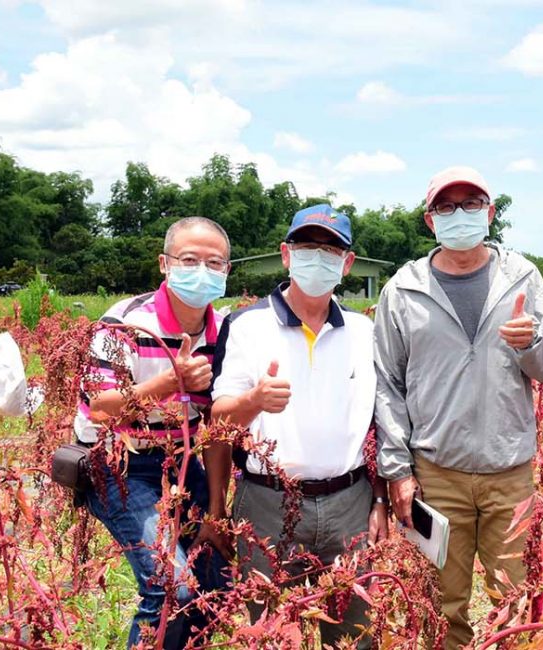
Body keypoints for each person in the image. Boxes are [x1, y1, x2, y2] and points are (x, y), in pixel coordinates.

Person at [373, 166, 543, 649]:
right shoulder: (403, 289)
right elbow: (387, 385)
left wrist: (530, 343)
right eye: (447, 206)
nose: (459, 214)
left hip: (510, 474)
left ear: (490, 213)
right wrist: (397, 471)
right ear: (429, 220)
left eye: (470, 204)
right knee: (442, 606)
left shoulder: (520, 276)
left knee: (515, 602)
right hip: (437, 474)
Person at [209, 204, 387, 649]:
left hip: (349, 502)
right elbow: (218, 420)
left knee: (354, 633)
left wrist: (380, 498)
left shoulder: (364, 332)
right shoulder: (247, 325)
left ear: (347, 264)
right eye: (308, 247)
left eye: (331, 251)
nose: (318, 258)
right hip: (268, 501)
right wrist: (254, 401)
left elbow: (380, 425)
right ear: (286, 255)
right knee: (266, 630)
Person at [75, 216, 232, 649]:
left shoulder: (226, 333)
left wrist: (216, 509)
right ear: (165, 264)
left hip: (182, 465)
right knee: (171, 587)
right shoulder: (124, 321)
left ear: (227, 272)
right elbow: (100, 408)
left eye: (214, 263)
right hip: (121, 467)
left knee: (217, 582)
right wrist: (169, 381)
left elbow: (219, 426)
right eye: (189, 259)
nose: (202, 270)